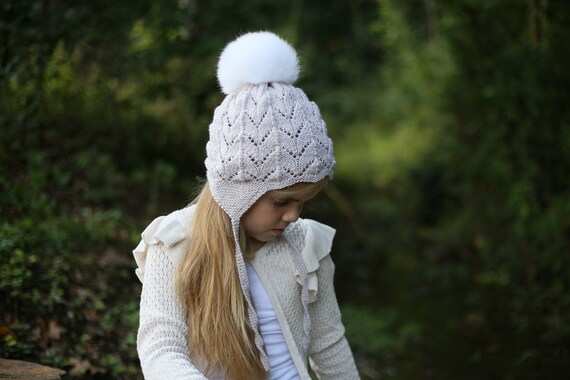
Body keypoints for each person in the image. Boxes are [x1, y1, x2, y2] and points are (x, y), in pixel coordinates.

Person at [133, 31, 360, 380]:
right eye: (282, 201)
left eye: (303, 202)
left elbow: (329, 347)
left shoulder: (306, 245)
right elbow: (160, 349)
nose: (293, 215)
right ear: (235, 191)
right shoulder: (177, 244)